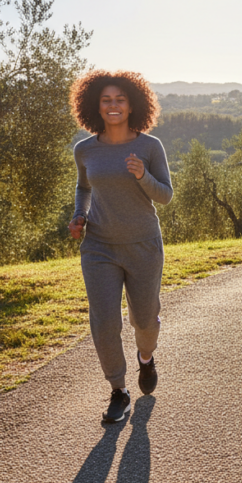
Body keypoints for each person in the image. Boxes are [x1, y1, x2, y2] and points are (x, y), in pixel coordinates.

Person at [68, 70, 173, 423]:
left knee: (144, 320)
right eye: (106, 100)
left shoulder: (148, 146)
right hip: (99, 246)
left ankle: (146, 357)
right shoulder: (85, 150)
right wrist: (79, 216)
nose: (113, 106)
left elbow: (167, 196)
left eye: (120, 100)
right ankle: (118, 389)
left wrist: (143, 176)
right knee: (104, 322)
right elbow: (84, 189)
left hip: (143, 244)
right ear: (95, 106)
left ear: (133, 105)